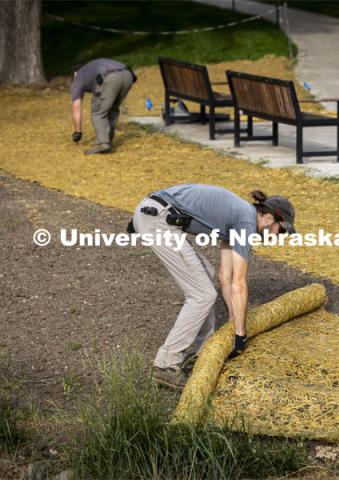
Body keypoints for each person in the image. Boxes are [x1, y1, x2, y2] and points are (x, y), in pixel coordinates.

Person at [131, 184, 296, 389]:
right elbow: (239, 284)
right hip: (157, 219)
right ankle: (165, 364)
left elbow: (225, 277)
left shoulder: (240, 217)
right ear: (269, 219)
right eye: (282, 231)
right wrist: (240, 335)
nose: (278, 237)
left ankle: (205, 354)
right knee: (202, 294)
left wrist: (234, 320)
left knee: (206, 282)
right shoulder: (245, 221)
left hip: (160, 217)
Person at [70, 58, 136, 154]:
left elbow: (76, 107)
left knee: (98, 112)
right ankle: (108, 139)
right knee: (112, 108)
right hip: (127, 75)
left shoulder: (78, 77)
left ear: (75, 73)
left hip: (111, 78)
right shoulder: (91, 67)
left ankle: (102, 143)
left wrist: (78, 131)